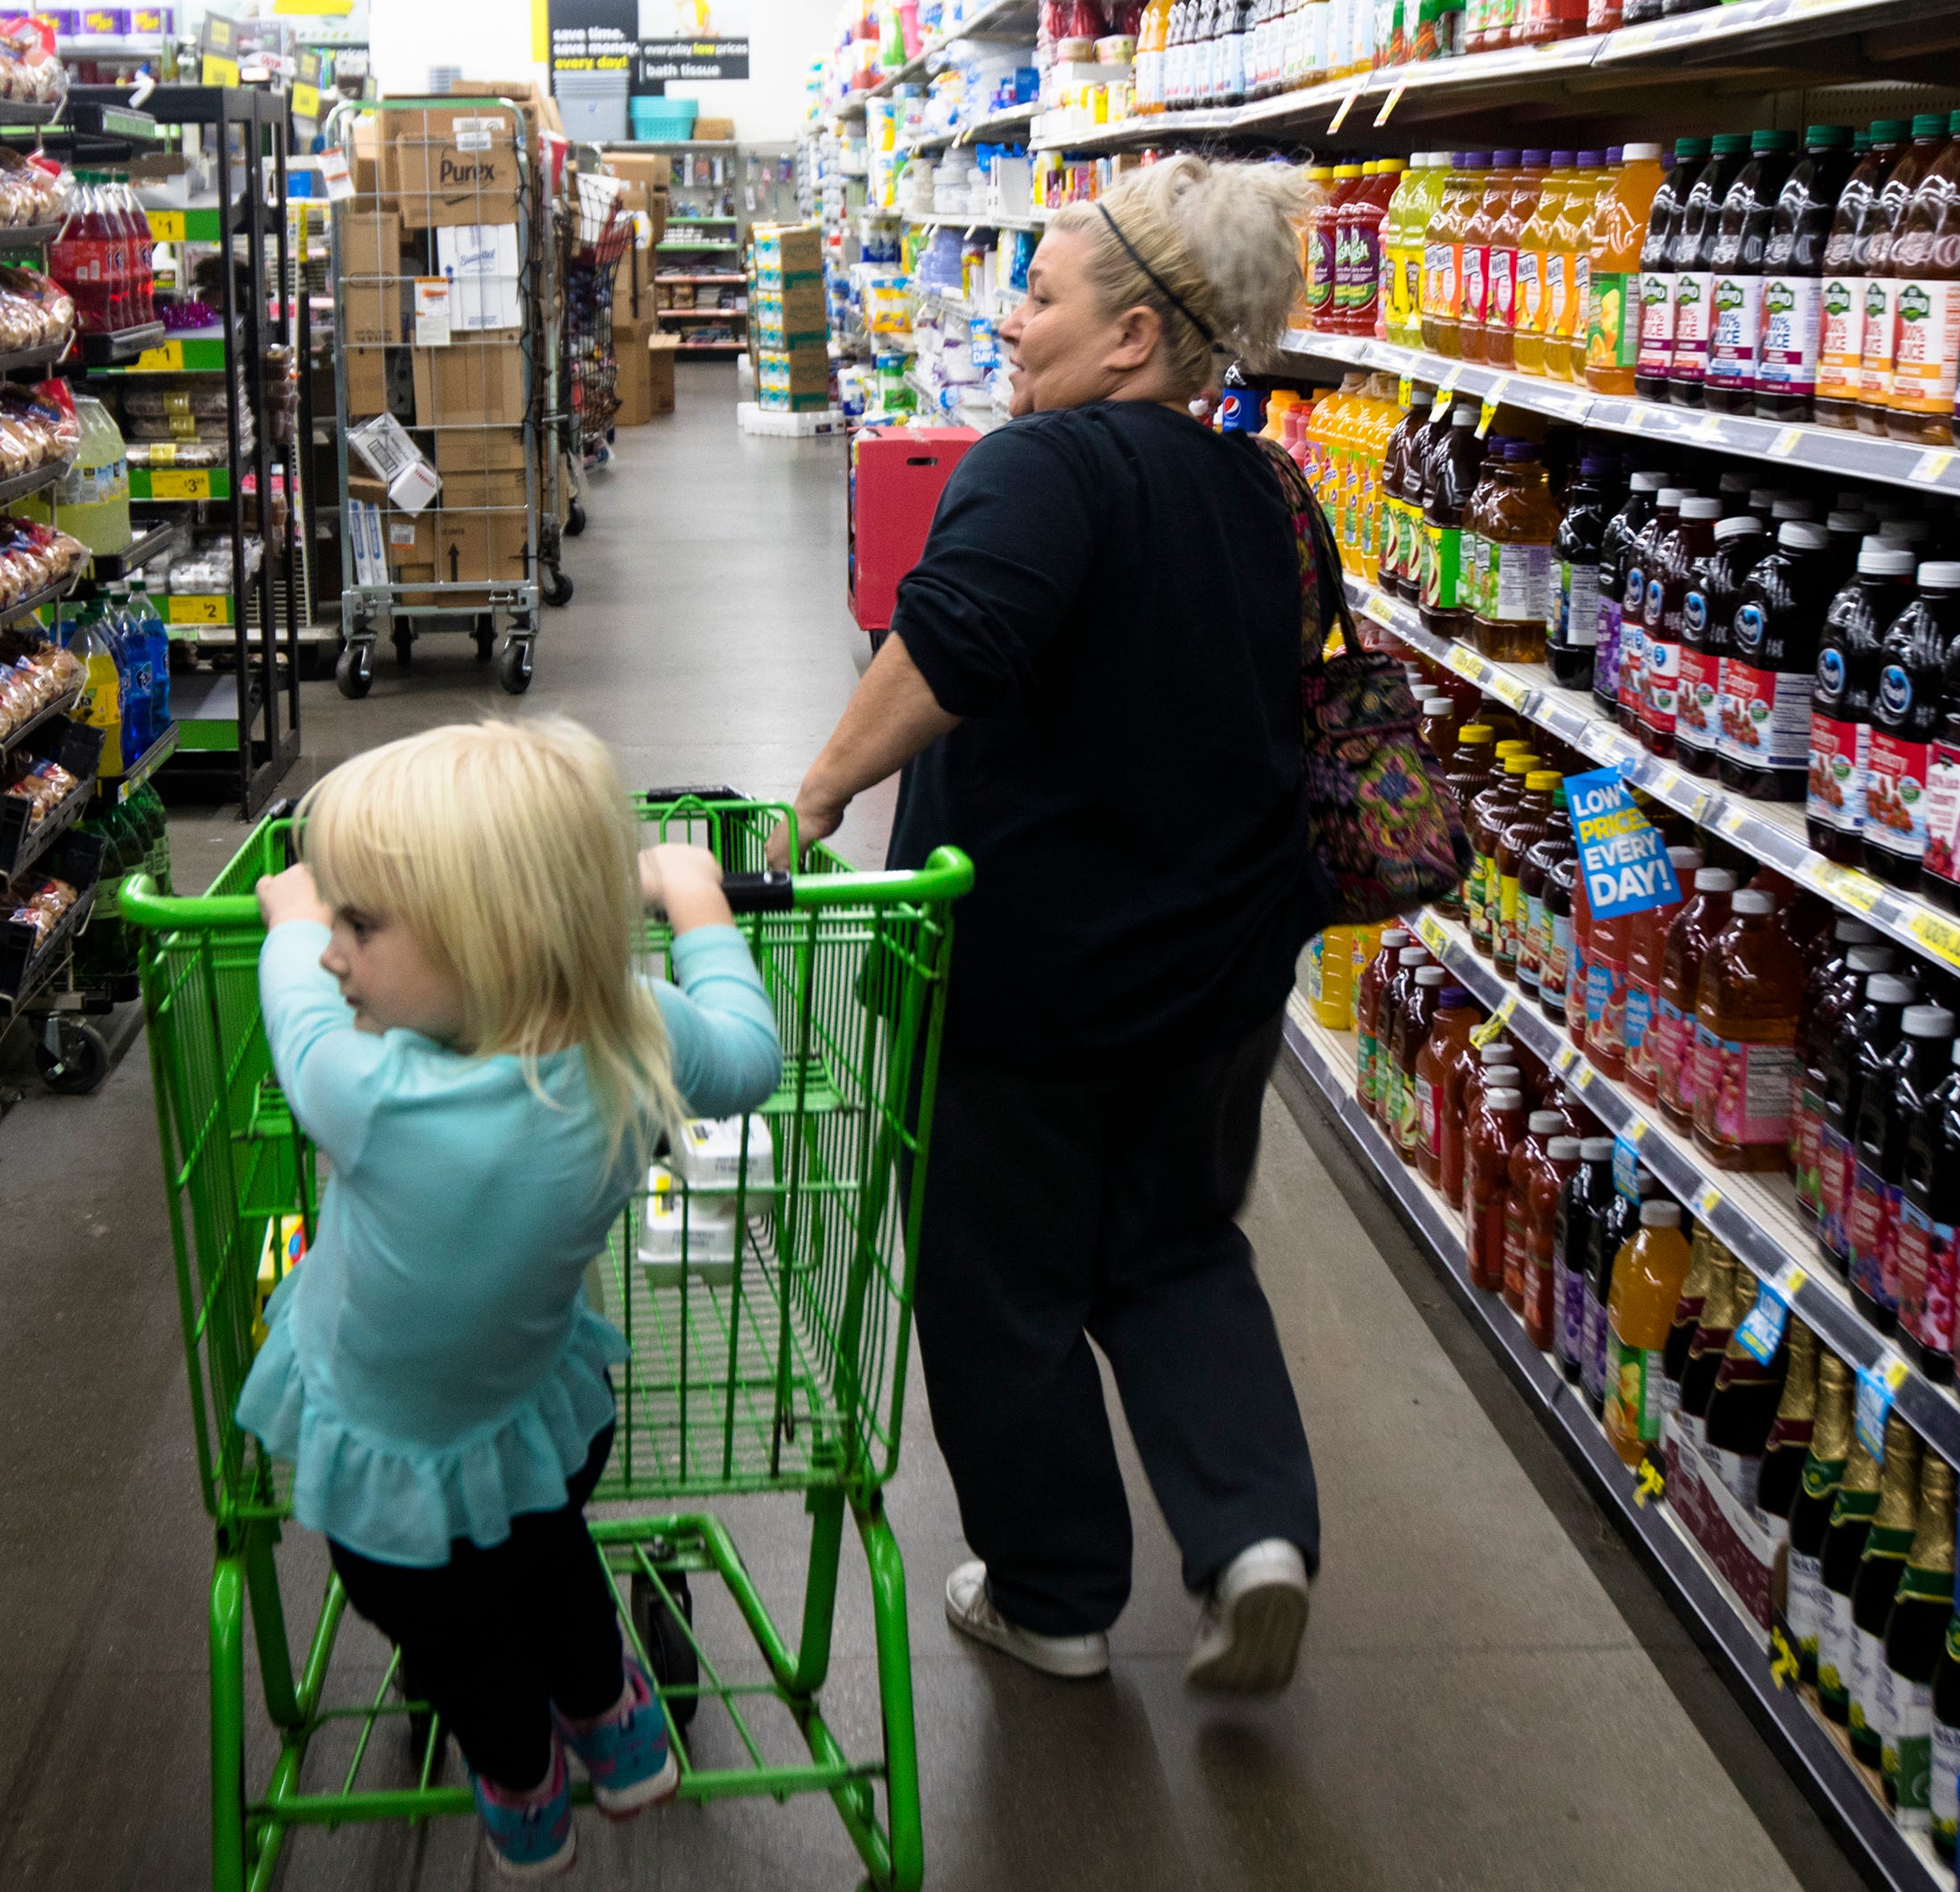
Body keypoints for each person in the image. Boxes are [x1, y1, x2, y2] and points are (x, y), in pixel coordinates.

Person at [787, 157, 1331, 1697]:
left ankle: (1054, 1595)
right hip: (1221, 973)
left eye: (1038, 296)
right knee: (1174, 1250)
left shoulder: (1047, 467)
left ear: (1135, 341)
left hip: (1029, 972)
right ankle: (1255, 1539)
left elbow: (954, 642)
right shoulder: (1265, 488)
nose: (1012, 326)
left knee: (1000, 1281)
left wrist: (816, 793)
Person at [242, 720, 785, 1876]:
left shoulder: (368, 1090)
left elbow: (296, 1024)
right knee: (549, 1557)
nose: (336, 951)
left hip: (392, 1466)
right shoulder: (632, 1036)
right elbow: (748, 1061)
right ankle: (617, 1730)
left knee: (453, 1640)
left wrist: (287, 922)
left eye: (361, 923)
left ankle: (524, 1785)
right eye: (334, 915)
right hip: (547, 1420)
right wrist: (696, 905)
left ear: (495, 935)